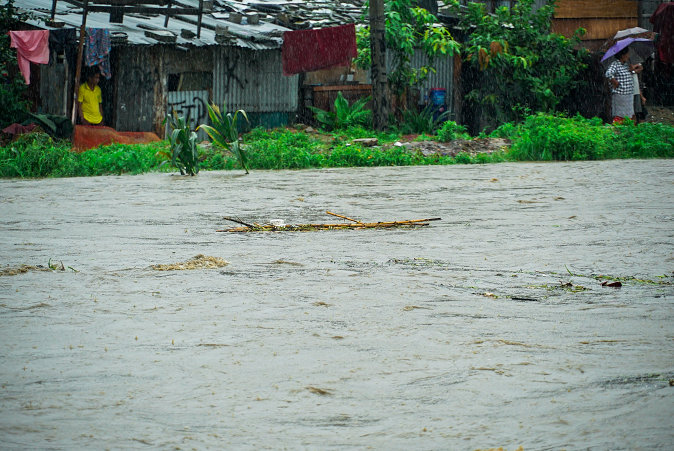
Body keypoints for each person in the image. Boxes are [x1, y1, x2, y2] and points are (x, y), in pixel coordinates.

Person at [605, 47, 634, 124]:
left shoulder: (625, 65)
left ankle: (626, 130)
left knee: (628, 115)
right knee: (620, 115)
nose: (629, 56)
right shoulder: (615, 64)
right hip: (620, 95)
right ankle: (617, 130)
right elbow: (608, 74)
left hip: (628, 95)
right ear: (622, 55)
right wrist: (616, 83)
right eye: (627, 54)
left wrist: (631, 70)